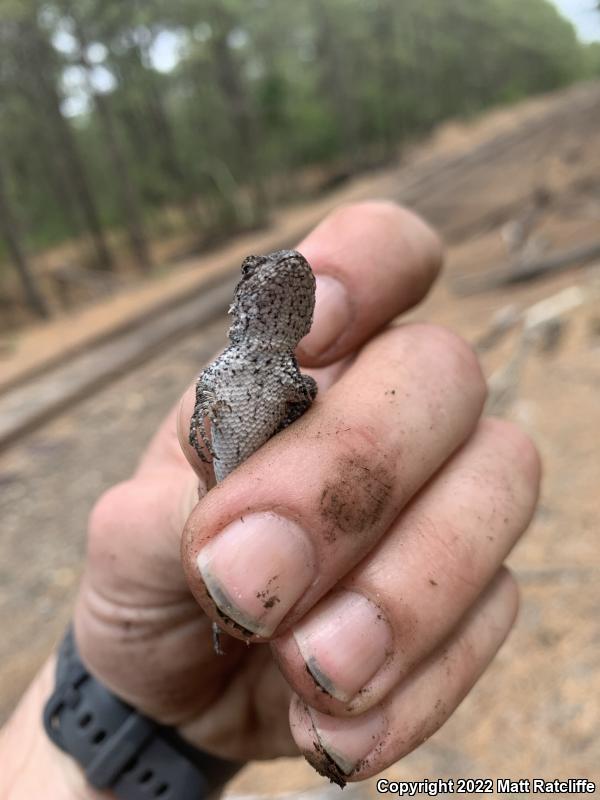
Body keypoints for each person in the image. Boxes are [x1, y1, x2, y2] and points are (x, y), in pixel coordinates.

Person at [0, 201, 540, 797]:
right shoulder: (223, 370)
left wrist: (341, 444)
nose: (283, 270)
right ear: (243, 299)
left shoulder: (292, 375)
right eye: (259, 266)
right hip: (226, 527)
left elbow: (307, 405)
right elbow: (203, 421)